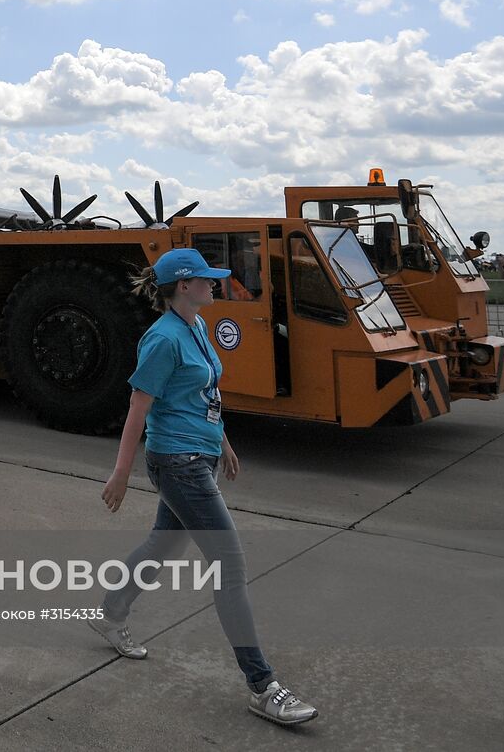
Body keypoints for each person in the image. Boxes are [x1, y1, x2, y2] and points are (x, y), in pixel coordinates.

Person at [95, 247, 318, 728]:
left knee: (163, 543)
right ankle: (263, 686)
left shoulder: (195, 326)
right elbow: (139, 408)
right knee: (230, 569)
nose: (215, 284)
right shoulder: (162, 340)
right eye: (206, 279)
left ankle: (110, 612)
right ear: (182, 285)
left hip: (202, 456)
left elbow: (206, 394)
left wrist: (225, 442)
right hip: (178, 464)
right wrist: (121, 473)